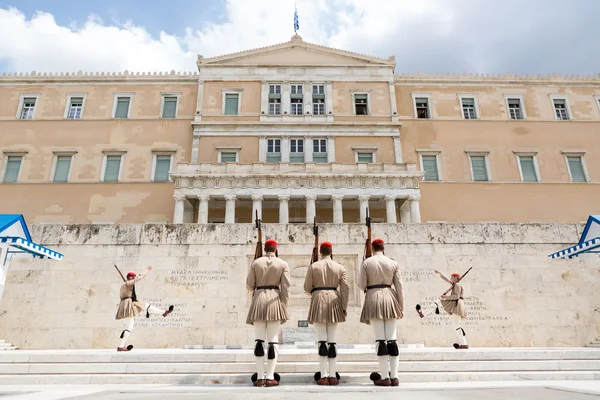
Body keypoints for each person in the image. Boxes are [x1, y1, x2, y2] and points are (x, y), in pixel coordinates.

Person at [358, 238, 404, 387]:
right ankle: (395, 376)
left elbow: (361, 285)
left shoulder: (367, 262)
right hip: (390, 298)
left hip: (374, 297)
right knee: (392, 339)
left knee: (380, 340)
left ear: (372, 248)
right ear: (383, 248)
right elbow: (400, 287)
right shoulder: (393, 263)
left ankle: (385, 376)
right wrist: (400, 307)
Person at [246, 239, 291, 387]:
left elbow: (249, 285)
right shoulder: (283, 264)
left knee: (259, 341)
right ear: (276, 249)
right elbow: (286, 287)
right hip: (274, 300)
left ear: (265, 249)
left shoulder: (256, 263)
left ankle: (259, 377)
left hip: (259, 298)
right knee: (273, 341)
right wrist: (284, 304)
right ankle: (271, 376)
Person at [303, 241, 349, 386]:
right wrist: (343, 306)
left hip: (318, 299)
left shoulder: (313, 266)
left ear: (320, 252)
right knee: (332, 341)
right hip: (335, 300)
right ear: (331, 252)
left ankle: (323, 375)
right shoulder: (340, 267)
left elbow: (306, 287)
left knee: (321, 340)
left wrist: (316, 293)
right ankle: (333, 375)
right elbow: (346, 289)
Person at [115, 266, 174, 352]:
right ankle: (120, 346)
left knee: (144, 308)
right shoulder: (129, 283)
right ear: (130, 278)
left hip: (128, 304)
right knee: (130, 326)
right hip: (129, 305)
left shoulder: (123, 286)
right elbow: (140, 277)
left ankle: (163, 312)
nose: (134, 279)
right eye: (133, 278)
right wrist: (146, 270)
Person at [416, 270, 468, 349]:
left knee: (456, 325)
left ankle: (464, 344)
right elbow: (447, 280)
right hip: (455, 304)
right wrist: (440, 274)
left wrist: (445, 297)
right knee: (456, 325)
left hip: (456, 304)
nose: (450, 278)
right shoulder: (455, 284)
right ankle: (464, 344)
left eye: (452, 277)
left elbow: (456, 296)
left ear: (455, 278)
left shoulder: (457, 285)